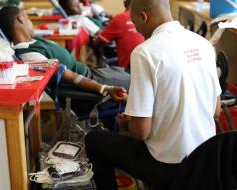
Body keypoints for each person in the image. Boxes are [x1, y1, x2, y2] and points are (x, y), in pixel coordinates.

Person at [85, 0, 222, 189]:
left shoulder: (145, 52)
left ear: (144, 16)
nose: (137, 29)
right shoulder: (204, 44)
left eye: (134, 22)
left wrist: (128, 121)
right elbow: (216, 110)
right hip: (207, 161)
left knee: (94, 140)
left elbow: (140, 133)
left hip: (169, 167)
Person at [0, 6, 129, 101]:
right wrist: (105, 89)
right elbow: (72, 77)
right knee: (138, 84)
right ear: (20, 19)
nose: (31, 23)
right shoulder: (30, 55)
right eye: (28, 18)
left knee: (130, 74)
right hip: (89, 83)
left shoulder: (35, 41)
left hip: (93, 73)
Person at [93, 0, 144, 68]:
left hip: (127, 71)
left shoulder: (120, 18)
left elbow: (98, 42)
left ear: (125, 3)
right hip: (146, 65)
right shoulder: (145, 17)